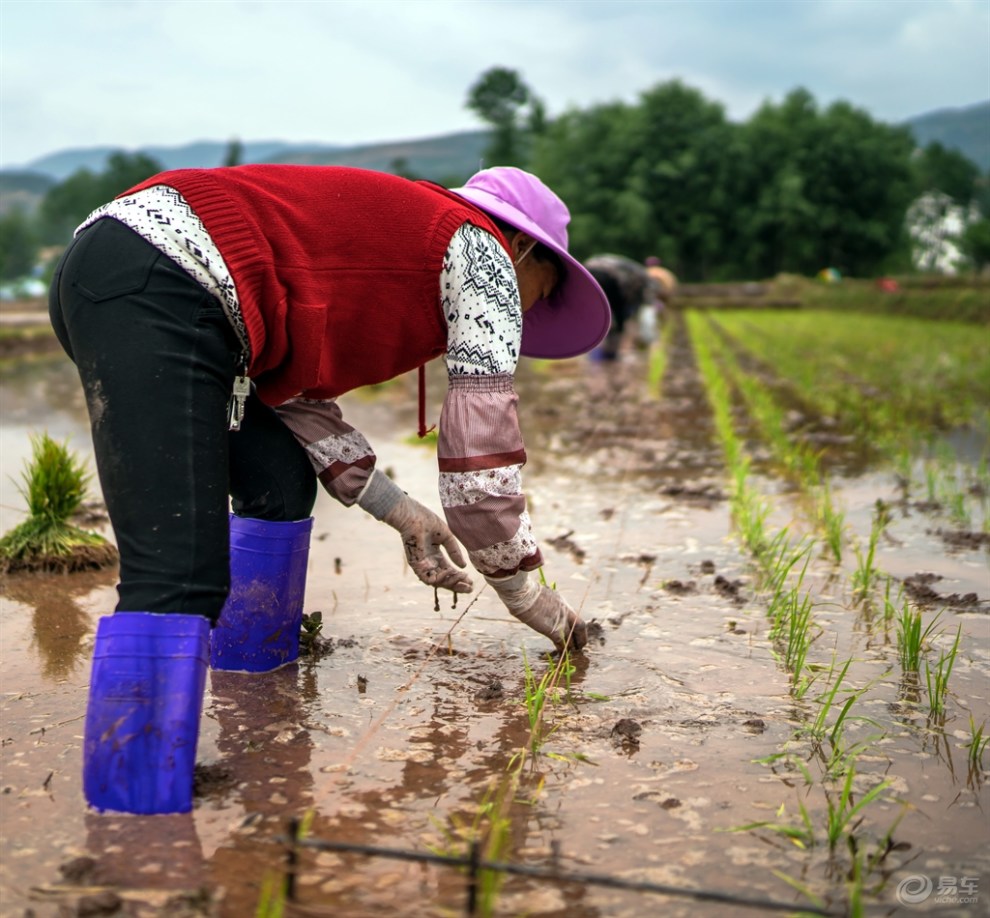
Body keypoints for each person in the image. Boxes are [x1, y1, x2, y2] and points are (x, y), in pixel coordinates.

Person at [48, 164, 611, 815]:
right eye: (545, 290)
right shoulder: (484, 255)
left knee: (279, 483)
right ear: (523, 248)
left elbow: (296, 402)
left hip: (132, 271)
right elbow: (481, 470)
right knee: (178, 568)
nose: (531, 309)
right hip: (165, 279)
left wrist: (400, 511)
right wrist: (528, 598)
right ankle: (133, 817)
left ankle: (250, 685)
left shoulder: (408, 245)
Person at [584, 253, 661, 359]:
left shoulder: (639, 275)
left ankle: (595, 351)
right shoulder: (647, 282)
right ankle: (610, 353)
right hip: (610, 276)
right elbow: (642, 307)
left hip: (587, 269)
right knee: (616, 318)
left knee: (596, 314)